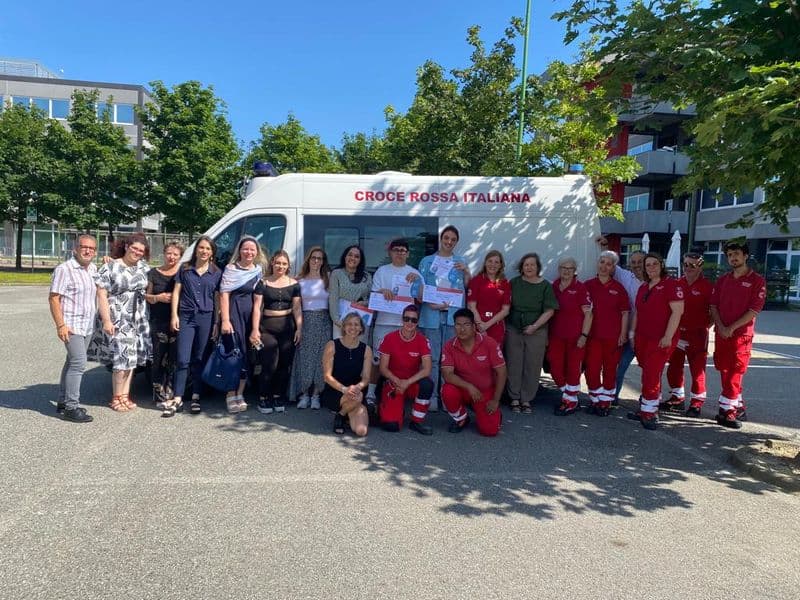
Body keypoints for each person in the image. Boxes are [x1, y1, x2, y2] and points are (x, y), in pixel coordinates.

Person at [87, 233, 152, 413]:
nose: (137, 252)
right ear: (126, 246)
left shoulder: (144, 267)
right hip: (118, 316)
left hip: (138, 317)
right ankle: (116, 396)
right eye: (135, 248)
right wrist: (106, 320)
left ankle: (124, 395)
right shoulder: (111, 266)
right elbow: (101, 294)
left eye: (141, 250)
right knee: (121, 357)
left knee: (132, 358)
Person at [709, 241, 766, 429]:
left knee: (735, 372)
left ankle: (728, 412)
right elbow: (713, 306)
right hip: (722, 334)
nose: (733, 257)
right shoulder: (723, 280)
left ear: (745, 256)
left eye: (736, 254)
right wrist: (721, 326)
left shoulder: (757, 280)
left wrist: (731, 328)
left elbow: (754, 310)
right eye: (729, 255)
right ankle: (738, 406)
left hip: (740, 336)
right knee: (725, 371)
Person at [627, 253, 684, 430]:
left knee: (652, 373)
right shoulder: (644, 287)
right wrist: (632, 334)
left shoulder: (671, 285)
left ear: (661, 265)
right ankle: (646, 407)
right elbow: (637, 312)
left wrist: (668, 336)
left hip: (660, 339)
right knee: (647, 374)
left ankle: (650, 413)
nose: (651, 267)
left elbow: (677, 312)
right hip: (642, 337)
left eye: (654, 264)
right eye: (648, 265)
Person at [166, 236, 222, 417]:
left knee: (199, 358)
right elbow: (176, 292)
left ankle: (196, 396)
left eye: (208, 248)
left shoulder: (216, 273)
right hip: (186, 317)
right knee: (182, 359)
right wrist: (174, 315)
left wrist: (216, 323)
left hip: (206, 318)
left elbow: (218, 299)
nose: (204, 251)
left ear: (212, 252)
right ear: (196, 249)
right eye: (201, 247)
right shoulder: (185, 269)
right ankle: (178, 398)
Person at [418, 225, 470, 411]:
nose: (449, 242)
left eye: (453, 239)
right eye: (446, 238)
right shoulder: (426, 261)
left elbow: (466, 289)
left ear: (456, 242)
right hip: (431, 315)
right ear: (441, 238)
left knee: (448, 359)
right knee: (432, 359)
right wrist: (428, 301)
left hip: (451, 318)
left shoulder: (460, 261)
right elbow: (419, 288)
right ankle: (431, 397)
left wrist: (466, 271)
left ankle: (447, 395)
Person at [49, 235, 98, 423]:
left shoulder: (93, 269)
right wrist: (60, 325)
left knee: (71, 361)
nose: (87, 251)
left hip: (86, 325)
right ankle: (71, 407)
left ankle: (62, 401)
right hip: (71, 326)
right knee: (79, 363)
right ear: (75, 249)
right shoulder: (64, 269)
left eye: (91, 248)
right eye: (84, 247)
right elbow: (54, 298)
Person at [366, 238, 422, 405]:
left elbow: (421, 297)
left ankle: (404, 392)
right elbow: (373, 297)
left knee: (404, 360)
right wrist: (382, 291)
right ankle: (370, 394)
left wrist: (418, 282)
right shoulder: (381, 272)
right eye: (396, 250)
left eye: (403, 250)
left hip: (406, 325)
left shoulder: (414, 272)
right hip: (383, 323)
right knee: (377, 360)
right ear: (390, 252)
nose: (399, 253)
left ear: (408, 254)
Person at [251, 249, 303, 414]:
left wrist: (299, 328)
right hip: (267, 329)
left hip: (288, 328)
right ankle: (263, 397)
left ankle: (278, 395)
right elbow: (257, 308)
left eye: (284, 264)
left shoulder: (294, 284)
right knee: (269, 363)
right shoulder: (263, 283)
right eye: (278, 262)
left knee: (284, 365)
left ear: (288, 266)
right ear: (272, 263)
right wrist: (254, 330)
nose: (280, 266)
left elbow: (296, 308)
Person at [505, 253, 558, 413]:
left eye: (532, 265)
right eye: (526, 265)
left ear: (538, 267)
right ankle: (514, 397)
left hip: (537, 330)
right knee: (514, 364)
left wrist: (534, 326)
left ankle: (526, 399)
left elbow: (550, 310)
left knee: (532, 365)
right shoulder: (514, 283)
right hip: (514, 329)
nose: (529, 267)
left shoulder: (545, 286)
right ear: (521, 267)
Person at [219, 236, 267, 414]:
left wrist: (255, 328)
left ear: (257, 252)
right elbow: (224, 295)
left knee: (246, 355)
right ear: (239, 250)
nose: (249, 252)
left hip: (249, 318)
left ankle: (240, 393)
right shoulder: (230, 269)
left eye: (252, 249)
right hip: (232, 316)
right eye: (245, 249)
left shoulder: (257, 271)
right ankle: (230, 394)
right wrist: (225, 320)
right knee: (232, 355)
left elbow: (257, 303)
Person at [441, 308, 507, 436]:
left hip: (485, 391)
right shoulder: (449, 346)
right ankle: (462, 418)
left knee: (490, 431)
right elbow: (447, 375)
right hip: (464, 389)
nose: (462, 329)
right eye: (458, 325)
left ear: (474, 326)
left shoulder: (489, 343)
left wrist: (495, 400)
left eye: (466, 325)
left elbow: (502, 372)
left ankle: (491, 412)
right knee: (447, 391)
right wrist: (469, 386)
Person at [663, 252, 713, 417]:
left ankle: (696, 403)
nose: (688, 268)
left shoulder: (708, 287)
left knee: (697, 370)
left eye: (692, 265)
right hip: (678, 333)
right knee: (674, 367)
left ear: (700, 267)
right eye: (685, 264)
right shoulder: (677, 284)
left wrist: (704, 326)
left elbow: (713, 312)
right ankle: (677, 398)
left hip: (697, 335)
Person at [584, 251, 630, 416]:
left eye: (608, 264)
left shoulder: (619, 288)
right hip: (593, 336)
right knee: (592, 370)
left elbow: (625, 313)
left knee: (610, 370)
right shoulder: (588, 285)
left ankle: (605, 402)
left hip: (613, 337)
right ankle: (595, 400)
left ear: (613, 268)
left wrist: (623, 334)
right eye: (602, 262)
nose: (604, 266)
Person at [378, 305, 434, 435]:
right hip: (393, 382)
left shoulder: (422, 340)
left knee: (427, 384)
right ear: (402, 319)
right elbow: (383, 368)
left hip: (411, 382)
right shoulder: (389, 338)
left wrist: (406, 383)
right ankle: (390, 409)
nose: (409, 323)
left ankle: (416, 421)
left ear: (418, 322)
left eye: (413, 320)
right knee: (391, 426)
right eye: (407, 319)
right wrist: (398, 381)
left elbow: (427, 369)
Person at [548, 256, 593, 416]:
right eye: (563, 268)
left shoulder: (580, 288)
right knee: (554, 367)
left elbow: (588, 314)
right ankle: (570, 396)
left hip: (575, 337)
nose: (566, 271)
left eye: (570, 269)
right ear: (559, 269)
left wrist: (584, 335)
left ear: (575, 271)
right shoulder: (553, 286)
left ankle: (570, 401)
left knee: (573, 369)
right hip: (556, 336)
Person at [292, 246, 332, 410]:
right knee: (305, 358)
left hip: (323, 320)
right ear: (308, 259)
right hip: (306, 320)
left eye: (320, 258)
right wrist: (299, 328)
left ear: (323, 261)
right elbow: (297, 306)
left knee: (321, 359)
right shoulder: (299, 280)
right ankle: (304, 394)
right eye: (314, 257)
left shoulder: (328, 278)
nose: (316, 261)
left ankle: (316, 395)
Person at [321, 312, 372, 436]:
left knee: (361, 431)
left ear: (361, 328)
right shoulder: (332, 345)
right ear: (343, 327)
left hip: (355, 391)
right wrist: (345, 389)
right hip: (336, 391)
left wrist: (357, 387)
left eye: (356, 324)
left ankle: (342, 414)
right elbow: (327, 377)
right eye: (349, 324)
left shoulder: (366, 350)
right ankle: (343, 415)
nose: (352, 327)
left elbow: (366, 378)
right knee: (358, 397)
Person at [145, 241, 183, 407]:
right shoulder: (153, 273)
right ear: (163, 253)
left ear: (180, 256)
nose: (172, 257)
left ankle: (171, 392)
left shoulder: (182, 273)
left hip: (178, 320)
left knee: (174, 358)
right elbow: (146, 296)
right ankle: (158, 395)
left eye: (176, 254)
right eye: (169, 253)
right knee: (159, 358)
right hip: (158, 320)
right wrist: (157, 298)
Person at [611, 245, 646, 402]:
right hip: (626, 332)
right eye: (633, 262)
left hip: (646, 334)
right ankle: (612, 398)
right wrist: (603, 244)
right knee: (619, 367)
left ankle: (648, 401)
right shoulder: (625, 276)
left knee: (650, 370)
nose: (637, 265)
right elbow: (610, 262)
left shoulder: (655, 282)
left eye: (640, 261)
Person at [328, 245, 372, 341]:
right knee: (341, 351)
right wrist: (338, 321)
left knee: (359, 351)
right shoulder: (336, 274)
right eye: (350, 255)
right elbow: (333, 298)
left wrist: (364, 303)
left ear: (360, 260)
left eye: (357, 256)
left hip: (361, 322)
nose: (353, 258)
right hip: (342, 320)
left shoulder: (367, 276)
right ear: (345, 257)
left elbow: (372, 299)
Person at [467, 250, 511, 345]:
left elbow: (505, 310)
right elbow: (471, 306)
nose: (493, 265)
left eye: (496, 262)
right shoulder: (476, 281)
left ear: (500, 265)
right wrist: (480, 326)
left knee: (495, 357)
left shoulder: (505, 284)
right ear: (485, 263)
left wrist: (487, 325)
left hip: (496, 327)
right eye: (490, 261)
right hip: (477, 326)